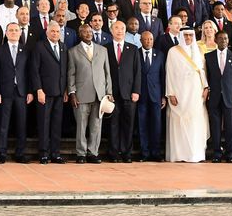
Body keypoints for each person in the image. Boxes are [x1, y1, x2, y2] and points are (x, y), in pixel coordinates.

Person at [67, 24, 111, 163]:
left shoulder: (102, 50)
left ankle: (93, 152)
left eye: (90, 31)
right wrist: (72, 93)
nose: (88, 34)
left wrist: (109, 93)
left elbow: (107, 73)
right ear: (80, 34)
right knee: (81, 126)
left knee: (96, 126)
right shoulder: (73, 51)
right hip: (81, 95)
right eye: (84, 32)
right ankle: (81, 154)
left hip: (100, 95)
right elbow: (71, 74)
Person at [165, 27, 209, 162]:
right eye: (186, 35)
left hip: (196, 92)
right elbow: (169, 73)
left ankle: (196, 154)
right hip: (179, 91)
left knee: (195, 121)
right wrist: (170, 93)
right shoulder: (173, 51)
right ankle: (179, 154)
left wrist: (206, 87)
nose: (188, 38)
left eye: (190, 35)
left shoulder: (199, 51)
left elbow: (203, 71)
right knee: (179, 121)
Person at [0, 23, 32, 163]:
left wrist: (30, 91)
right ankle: (1, 152)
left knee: (22, 124)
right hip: (4, 92)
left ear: (20, 33)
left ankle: (20, 153)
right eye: (11, 30)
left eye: (16, 30)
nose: (14, 32)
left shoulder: (25, 50)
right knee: (3, 123)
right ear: (6, 33)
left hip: (21, 92)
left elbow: (29, 73)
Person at [31, 21, 68, 164]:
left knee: (57, 124)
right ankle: (44, 153)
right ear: (47, 32)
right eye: (52, 31)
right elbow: (34, 70)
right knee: (44, 123)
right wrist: (38, 90)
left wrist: (65, 90)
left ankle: (55, 153)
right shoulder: (40, 47)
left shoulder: (63, 47)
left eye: (58, 32)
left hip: (59, 92)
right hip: (44, 92)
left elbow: (64, 70)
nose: (55, 34)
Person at [204, 31, 232, 163]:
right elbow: (206, 78)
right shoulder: (208, 56)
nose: (223, 40)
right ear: (215, 40)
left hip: (230, 97)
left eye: (225, 38)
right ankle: (216, 153)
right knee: (215, 126)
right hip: (214, 97)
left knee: (230, 127)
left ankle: (230, 153)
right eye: (220, 38)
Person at [106, 21, 140, 162]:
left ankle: (126, 153)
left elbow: (137, 71)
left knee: (128, 124)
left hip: (129, 93)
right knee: (113, 124)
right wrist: (106, 92)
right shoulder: (105, 48)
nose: (119, 31)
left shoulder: (133, 49)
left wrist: (136, 91)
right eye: (116, 28)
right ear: (111, 30)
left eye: (122, 28)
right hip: (112, 94)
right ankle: (114, 154)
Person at [137, 31, 166, 161]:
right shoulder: (135, 53)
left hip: (156, 95)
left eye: (151, 39)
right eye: (146, 39)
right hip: (141, 95)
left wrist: (164, 96)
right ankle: (144, 153)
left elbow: (163, 76)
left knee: (156, 125)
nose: (148, 42)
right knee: (142, 125)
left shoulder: (160, 55)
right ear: (141, 40)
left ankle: (156, 153)